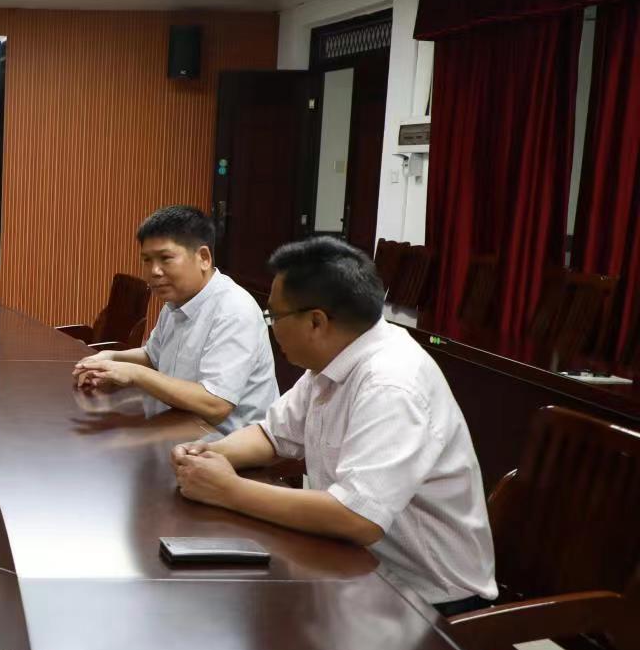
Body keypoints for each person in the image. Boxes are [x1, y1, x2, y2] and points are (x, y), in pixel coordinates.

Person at [170, 236, 497, 613]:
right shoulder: (334, 360)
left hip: (426, 600)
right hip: (354, 567)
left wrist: (227, 489)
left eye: (273, 316)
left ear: (316, 321)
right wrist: (208, 454)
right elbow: (272, 434)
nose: (270, 327)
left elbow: (357, 518)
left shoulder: (391, 383)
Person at [73, 205, 277, 434]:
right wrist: (111, 357)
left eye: (166, 258)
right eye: (147, 260)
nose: (154, 271)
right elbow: (153, 356)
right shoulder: (176, 301)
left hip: (225, 443)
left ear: (203, 258)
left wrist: (134, 374)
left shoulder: (234, 310)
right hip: (177, 426)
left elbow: (216, 405)